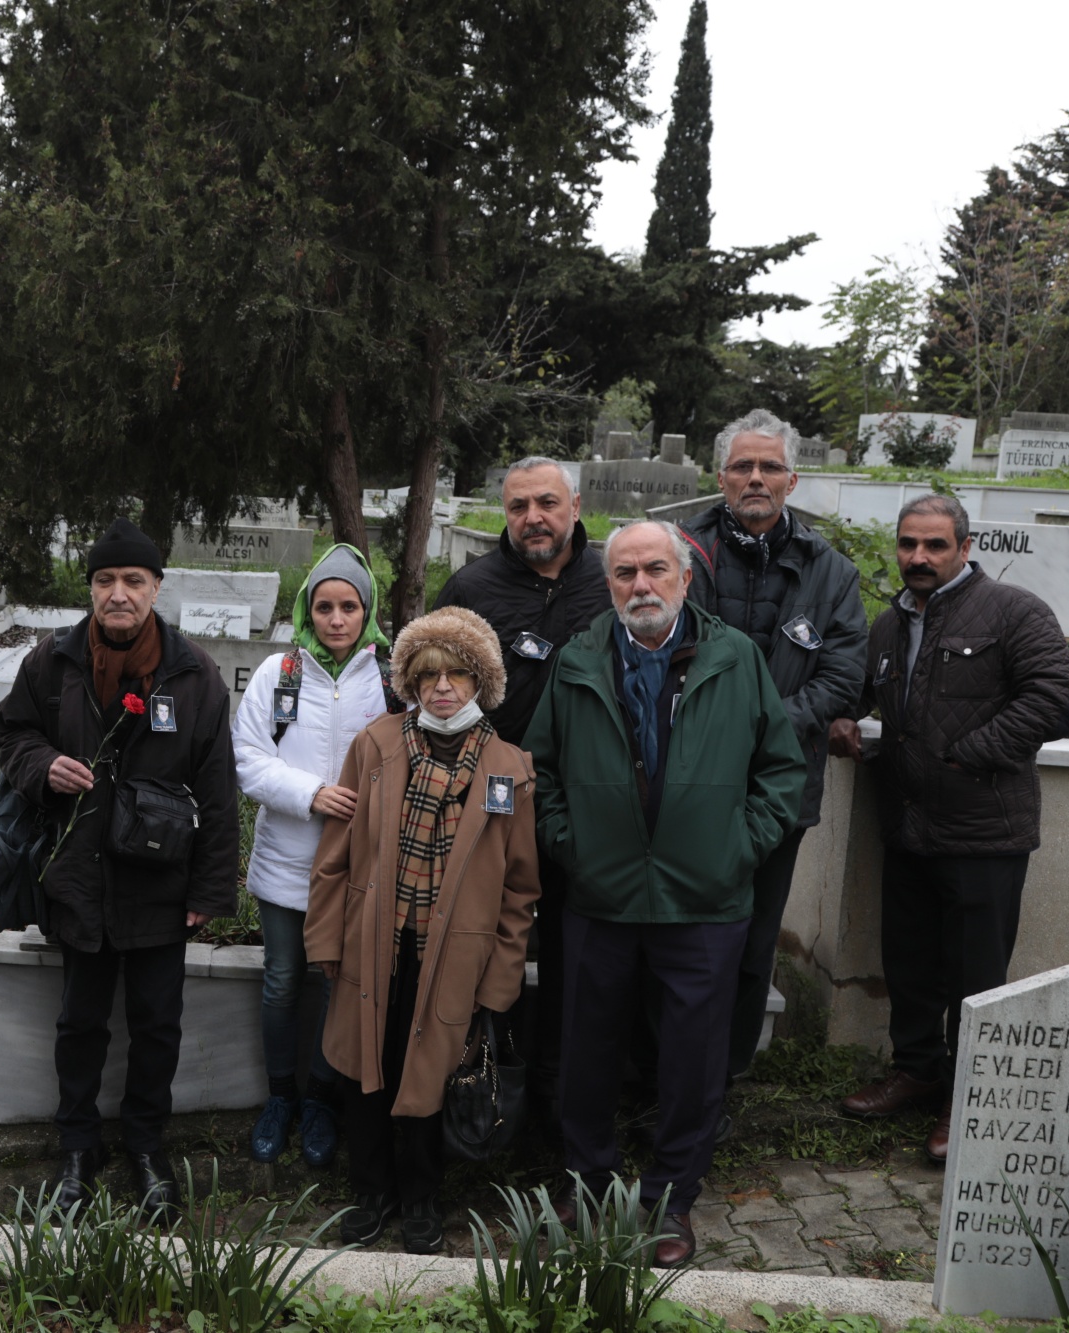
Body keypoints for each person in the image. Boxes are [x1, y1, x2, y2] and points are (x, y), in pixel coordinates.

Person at [523, 521, 804, 1265]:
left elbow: (781, 769)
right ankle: (587, 1183)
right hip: (601, 894)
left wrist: (736, 848)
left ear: (684, 578)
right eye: (624, 573)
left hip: (703, 901)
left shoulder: (735, 658)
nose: (640, 585)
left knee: (692, 1056)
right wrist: (571, 845)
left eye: (654, 570)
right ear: (607, 583)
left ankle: (671, 1198)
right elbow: (540, 770)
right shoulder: (580, 658)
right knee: (586, 1048)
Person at [0, 518, 240, 1215]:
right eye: (105, 580)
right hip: (80, 877)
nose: (119, 594)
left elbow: (219, 790)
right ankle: (78, 1146)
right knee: (80, 1022)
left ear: (157, 586)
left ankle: (146, 1145)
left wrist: (211, 888)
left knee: (157, 1023)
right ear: (91, 588)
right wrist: (43, 766)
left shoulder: (194, 675)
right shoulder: (52, 661)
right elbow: (13, 731)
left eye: (133, 580)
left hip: (161, 883)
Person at [830, 494, 1069, 1162]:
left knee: (974, 973)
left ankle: (965, 1096)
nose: (919, 557)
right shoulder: (888, 624)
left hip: (984, 830)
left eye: (935, 545)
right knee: (909, 963)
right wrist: (843, 718)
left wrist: (971, 749)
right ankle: (916, 1070)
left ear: (965, 547)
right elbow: (863, 692)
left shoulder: (1014, 611)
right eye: (909, 544)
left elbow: (1054, 698)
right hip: (907, 825)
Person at [304, 607, 539, 1255]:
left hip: (454, 958)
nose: (442, 685)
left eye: (457, 673)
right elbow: (336, 853)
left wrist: (501, 981)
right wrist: (325, 940)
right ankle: (370, 1190)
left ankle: (421, 1196)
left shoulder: (508, 766)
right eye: (428, 672)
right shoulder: (375, 745)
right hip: (374, 946)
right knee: (365, 1071)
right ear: (409, 679)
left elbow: (519, 888)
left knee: (431, 1075)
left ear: (480, 682)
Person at [678, 410, 867, 1084]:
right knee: (677, 933)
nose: (755, 477)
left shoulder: (831, 571)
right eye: (741, 466)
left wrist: (757, 727)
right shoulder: (681, 553)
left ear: (792, 479)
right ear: (721, 477)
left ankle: (719, 1081)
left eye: (769, 467)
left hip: (778, 789)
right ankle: (661, 1073)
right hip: (683, 781)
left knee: (754, 942)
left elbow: (843, 674)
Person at [432, 456, 610, 1101]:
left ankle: (564, 1101)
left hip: (588, 807)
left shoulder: (611, 581)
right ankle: (476, 1092)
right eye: (517, 507)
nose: (533, 518)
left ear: (576, 505)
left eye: (546, 503)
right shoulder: (471, 589)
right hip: (490, 808)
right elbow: (425, 696)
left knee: (575, 959)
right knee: (482, 949)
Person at [232, 544, 399, 1168]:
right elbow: (248, 758)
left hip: (359, 868)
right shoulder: (280, 673)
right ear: (307, 610)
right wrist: (312, 795)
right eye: (324, 606)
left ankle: (323, 1100)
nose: (336, 619)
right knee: (281, 982)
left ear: (367, 612)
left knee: (335, 985)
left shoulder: (387, 680)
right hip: (287, 862)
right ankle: (281, 1099)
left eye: (348, 606)